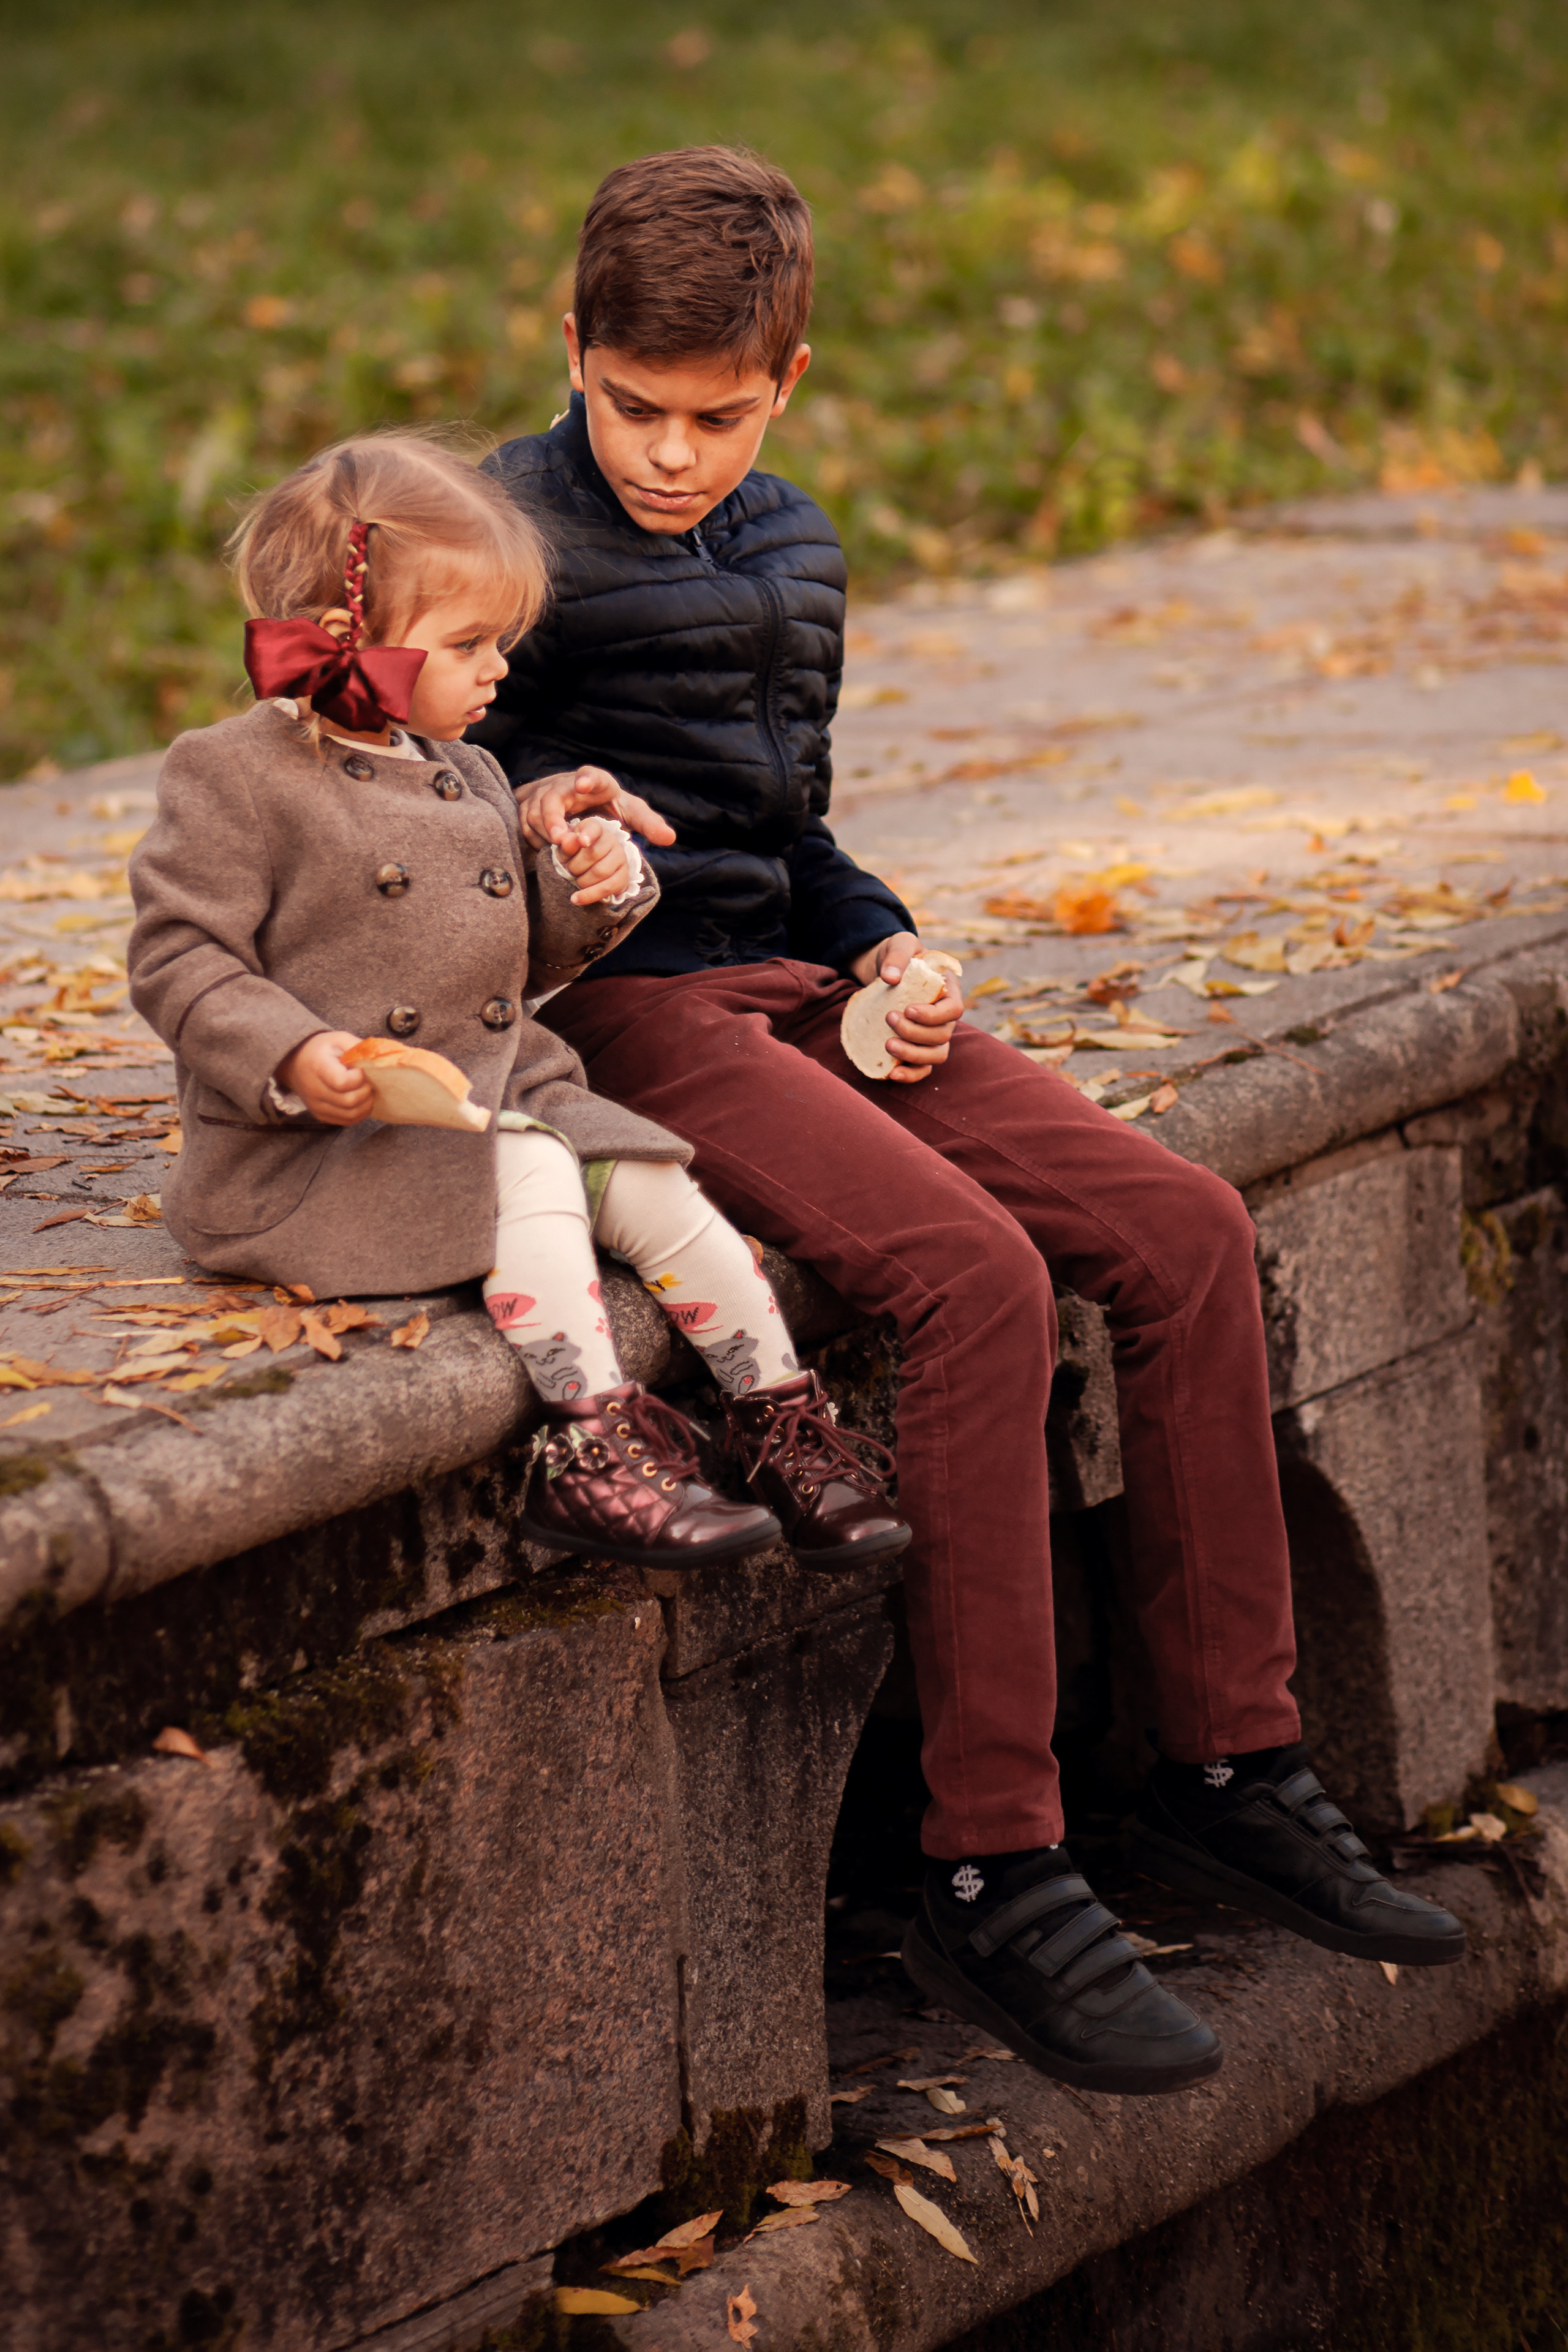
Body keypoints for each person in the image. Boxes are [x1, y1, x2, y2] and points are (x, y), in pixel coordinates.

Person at [474, 148, 1468, 2096]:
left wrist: (893, 947)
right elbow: (408, 785)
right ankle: (993, 1861)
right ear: (570, 349)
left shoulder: (797, 548)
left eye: (719, 415)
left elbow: (794, 835)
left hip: (801, 987)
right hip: (624, 1011)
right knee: (976, 1279)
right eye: (631, 408)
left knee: (1178, 1228)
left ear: (793, 380)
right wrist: (530, 821)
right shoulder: (491, 533)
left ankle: (1228, 1760)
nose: (671, 454)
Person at [127, 430, 910, 1575]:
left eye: (504, 638)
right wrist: (293, 1054)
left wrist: (588, 881)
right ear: (354, 642)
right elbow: (178, 957)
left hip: (493, 1099)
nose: (499, 668)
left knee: (657, 1183)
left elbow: (511, 968)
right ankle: (590, 1451)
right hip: (328, 1148)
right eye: (470, 643)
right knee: (539, 1163)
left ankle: (777, 1417)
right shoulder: (233, 774)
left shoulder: (470, 769)